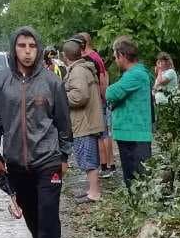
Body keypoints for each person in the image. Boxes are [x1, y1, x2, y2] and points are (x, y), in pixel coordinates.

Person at [0, 27, 73, 238]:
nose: (27, 51)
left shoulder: (52, 82)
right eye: (22, 46)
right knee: (30, 210)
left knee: (48, 210)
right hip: (15, 160)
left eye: (32, 46)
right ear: (14, 49)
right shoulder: (1, 82)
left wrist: (64, 155)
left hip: (48, 158)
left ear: (39, 48)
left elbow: (64, 123)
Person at [104, 36, 153, 187]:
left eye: (115, 56)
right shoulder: (132, 74)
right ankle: (136, 208)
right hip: (130, 133)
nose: (115, 60)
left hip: (134, 134)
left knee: (138, 181)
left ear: (122, 54)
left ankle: (140, 209)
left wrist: (109, 89)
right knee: (133, 179)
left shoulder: (136, 74)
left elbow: (110, 93)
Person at [62, 38, 105, 202]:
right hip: (87, 121)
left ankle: (94, 193)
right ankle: (91, 190)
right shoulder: (82, 68)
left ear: (66, 56)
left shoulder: (78, 71)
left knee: (88, 159)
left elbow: (80, 96)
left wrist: (61, 98)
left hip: (84, 122)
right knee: (87, 157)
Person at [75, 32, 115, 176]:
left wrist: (102, 98)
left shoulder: (88, 59)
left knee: (99, 134)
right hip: (102, 98)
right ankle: (110, 164)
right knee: (106, 134)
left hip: (96, 99)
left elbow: (102, 80)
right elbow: (105, 77)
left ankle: (104, 166)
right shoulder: (97, 56)